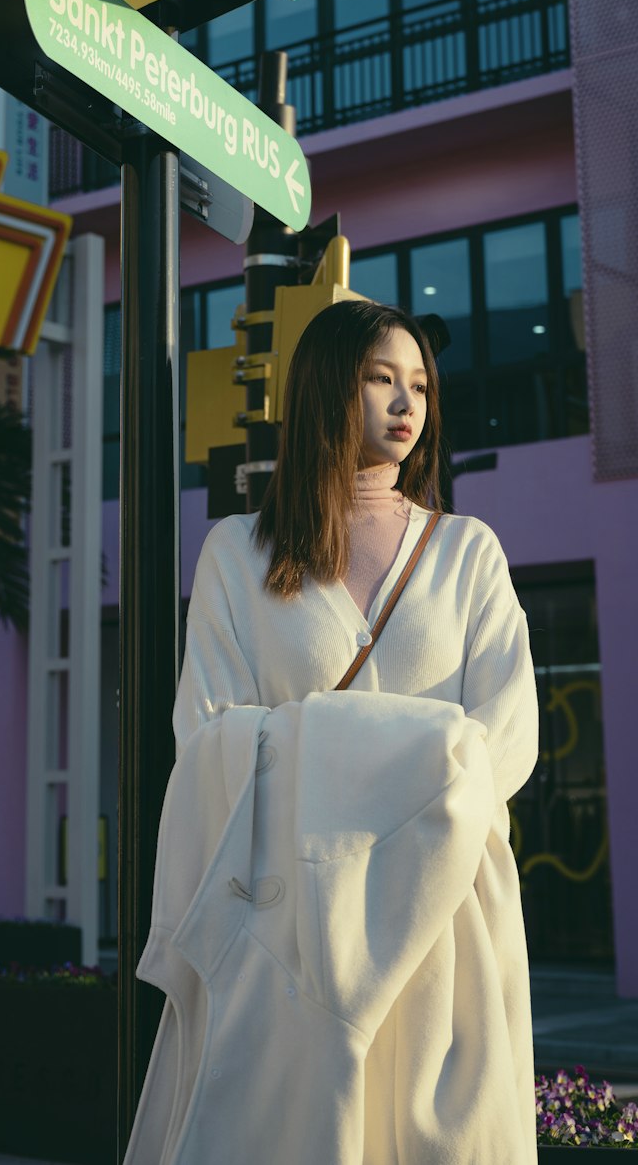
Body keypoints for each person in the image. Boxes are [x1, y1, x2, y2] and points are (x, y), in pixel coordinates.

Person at [132, 299, 539, 1164]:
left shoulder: (468, 551)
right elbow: (205, 733)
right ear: (324, 390)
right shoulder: (238, 553)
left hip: (442, 909)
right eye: (380, 379)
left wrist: (323, 745)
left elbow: (507, 735)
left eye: (420, 384)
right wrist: (418, 750)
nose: (407, 402)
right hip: (288, 922)